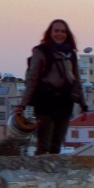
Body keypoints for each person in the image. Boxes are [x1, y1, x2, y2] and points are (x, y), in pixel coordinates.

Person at [15, 19, 87, 154]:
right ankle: (38, 173)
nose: (60, 34)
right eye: (56, 31)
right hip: (45, 102)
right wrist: (22, 105)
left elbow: (76, 80)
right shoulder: (41, 51)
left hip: (65, 103)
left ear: (67, 34)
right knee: (44, 146)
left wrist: (83, 105)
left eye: (63, 31)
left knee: (57, 146)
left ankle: (53, 174)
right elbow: (32, 79)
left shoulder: (70, 53)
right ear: (50, 33)